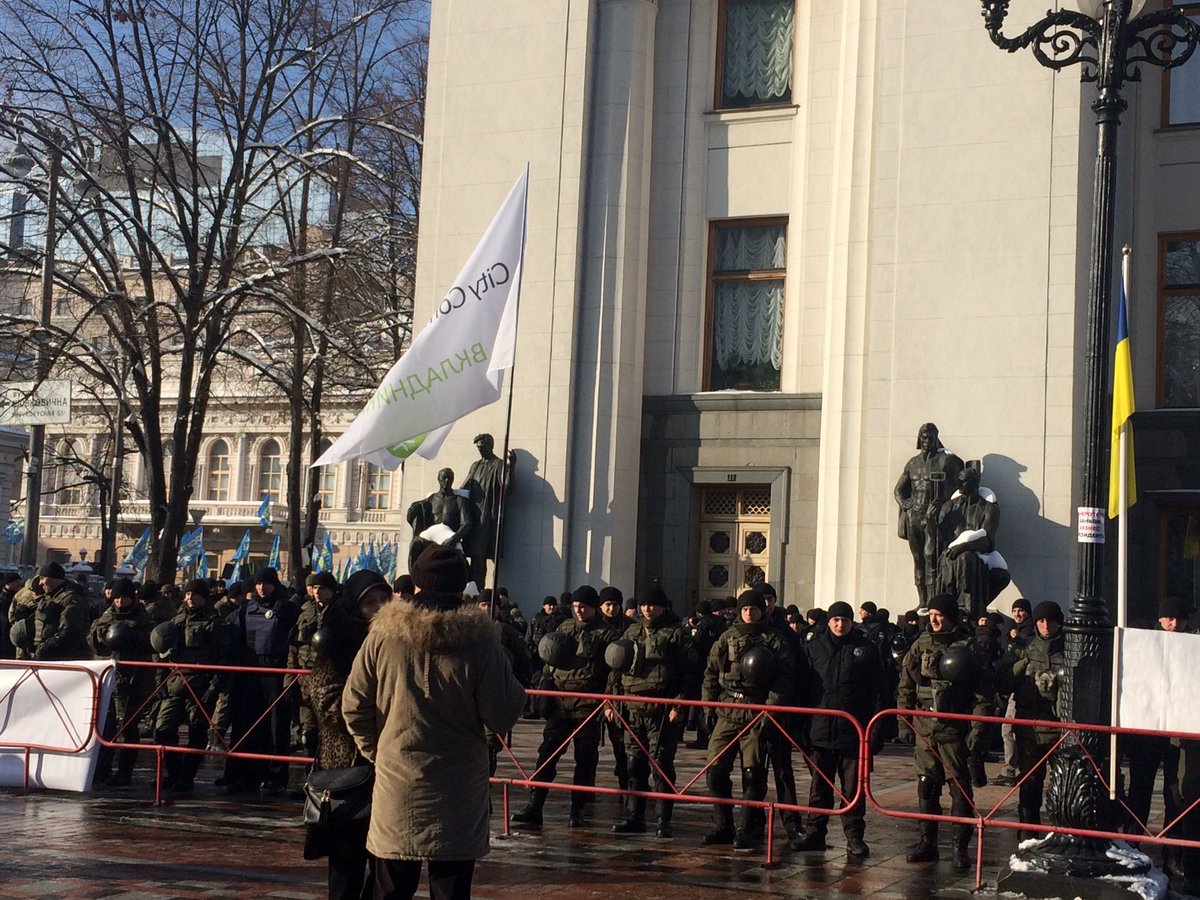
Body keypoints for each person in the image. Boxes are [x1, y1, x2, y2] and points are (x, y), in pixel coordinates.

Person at [342, 544, 526, 900]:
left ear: (418, 581)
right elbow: (502, 712)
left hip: (397, 782)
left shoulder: (382, 635)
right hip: (458, 789)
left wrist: (379, 752)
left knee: (389, 886)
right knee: (451, 889)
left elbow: (353, 705)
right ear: (462, 585)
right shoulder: (481, 642)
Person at [302, 568, 390, 900]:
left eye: (384, 599)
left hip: (385, 766)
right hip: (347, 765)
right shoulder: (337, 639)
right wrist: (370, 720)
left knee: (386, 865)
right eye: (370, 602)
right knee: (346, 861)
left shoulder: (394, 641)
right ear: (355, 605)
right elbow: (325, 698)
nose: (379, 608)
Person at [511, 585, 621, 828]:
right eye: (575, 607)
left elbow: (613, 671)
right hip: (560, 702)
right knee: (547, 754)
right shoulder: (564, 628)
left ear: (593, 608)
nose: (579, 611)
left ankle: (577, 809)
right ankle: (535, 805)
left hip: (587, 704)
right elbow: (550, 661)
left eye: (583, 607)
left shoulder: (607, 634)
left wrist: (607, 701)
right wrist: (545, 689)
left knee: (584, 759)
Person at [897, 594, 988, 870]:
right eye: (931, 614)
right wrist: (905, 721)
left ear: (950, 617)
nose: (934, 620)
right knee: (927, 784)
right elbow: (906, 687)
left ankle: (959, 847)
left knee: (959, 788)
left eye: (939, 615)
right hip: (926, 727)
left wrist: (978, 728)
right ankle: (928, 842)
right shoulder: (920, 645)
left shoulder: (968, 648)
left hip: (954, 730)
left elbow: (982, 695)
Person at [701, 589, 793, 850]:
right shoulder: (726, 638)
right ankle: (723, 825)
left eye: (753, 609)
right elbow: (710, 673)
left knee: (753, 773)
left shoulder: (774, 640)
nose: (749, 613)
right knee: (715, 769)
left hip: (757, 708)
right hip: (728, 708)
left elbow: (784, 679)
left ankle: (747, 828)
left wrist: (771, 710)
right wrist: (707, 707)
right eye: (745, 609)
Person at [790, 600, 884, 857]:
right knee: (819, 787)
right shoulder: (814, 647)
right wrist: (800, 726)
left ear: (852, 621)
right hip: (819, 731)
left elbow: (878, 690)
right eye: (835, 620)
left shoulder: (865, 649)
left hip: (853, 732)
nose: (840, 624)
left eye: (844, 620)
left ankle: (854, 836)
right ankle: (815, 833)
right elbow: (803, 688)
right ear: (828, 622)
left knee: (853, 789)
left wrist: (876, 730)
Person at [613, 584, 697, 838]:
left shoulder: (676, 634)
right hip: (633, 706)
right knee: (633, 764)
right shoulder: (631, 631)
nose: (647, 609)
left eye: (652, 605)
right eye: (644, 605)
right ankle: (634, 815)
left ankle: (663, 819)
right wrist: (615, 701)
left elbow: (690, 672)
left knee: (661, 765)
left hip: (662, 710)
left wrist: (679, 703)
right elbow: (618, 668)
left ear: (662, 606)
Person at [153, 579, 232, 795]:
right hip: (176, 684)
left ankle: (187, 778)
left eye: (194, 595)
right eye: (187, 594)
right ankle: (174, 772)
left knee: (196, 733)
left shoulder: (215, 623)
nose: (189, 599)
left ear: (203, 597)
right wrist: (160, 681)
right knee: (162, 729)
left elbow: (223, 658)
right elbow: (162, 654)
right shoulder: (176, 621)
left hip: (201, 685)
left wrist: (213, 688)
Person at [995, 599, 1064, 836]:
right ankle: (1027, 831)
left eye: (1051, 621)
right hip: (1029, 729)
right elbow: (1002, 682)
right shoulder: (1023, 648)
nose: (1046, 626)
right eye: (1042, 621)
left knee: (1061, 785)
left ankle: (1059, 832)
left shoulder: (1069, 650)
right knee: (1030, 783)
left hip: (1059, 729)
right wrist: (1018, 666)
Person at [87, 577, 154, 787]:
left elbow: (151, 643)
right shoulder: (105, 616)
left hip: (132, 679)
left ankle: (125, 772)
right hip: (108, 678)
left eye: (123, 598)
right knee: (106, 727)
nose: (119, 602)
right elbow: (92, 641)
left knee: (128, 726)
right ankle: (102, 770)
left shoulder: (142, 618)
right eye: (116, 598)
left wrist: (131, 638)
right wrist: (99, 636)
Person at [894, 423, 964, 606]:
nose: (927, 441)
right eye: (924, 437)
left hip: (932, 515)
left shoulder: (945, 461)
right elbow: (899, 490)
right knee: (918, 559)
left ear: (936, 439)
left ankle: (934, 601)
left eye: (931, 437)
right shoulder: (912, 463)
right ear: (919, 439)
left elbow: (959, 487)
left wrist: (944, 505)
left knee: (930, 556)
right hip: (914, 516)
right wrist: (904, 503)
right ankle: (922, 601)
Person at [936, 465, 1007, 619]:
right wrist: (930, 519)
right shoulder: (949, 507)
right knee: (951, 558)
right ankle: (950, 606)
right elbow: (939, 536)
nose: (959, 486)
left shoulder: (989, 508)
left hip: (978, 556)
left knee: (966, 557)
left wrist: (964, 546)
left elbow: (987, 540)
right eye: (959, 482)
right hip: (950, 555)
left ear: (975, 484)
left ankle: (966, 608)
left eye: (964, 482)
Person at [290, 571, 341, 757]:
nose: (318, 591)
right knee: (308, 732)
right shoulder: (305, 613)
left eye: (323, 588)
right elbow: (294, 648)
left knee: (331, 729)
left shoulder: (341, 612)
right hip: (306, 679)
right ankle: (310, 776)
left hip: (332, 681)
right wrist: (290, 677)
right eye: (315, 587)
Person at [459, 433, 515, 590]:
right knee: (470, 555)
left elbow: (508, 488)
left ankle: (479, 592)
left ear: (490, 446)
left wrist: (511, 468)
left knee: (479, 555)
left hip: (487, 517)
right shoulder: (475, 466)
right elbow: (464, 487)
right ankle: (472, 590)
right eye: (478, 447)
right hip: (472, 516)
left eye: (482, 446)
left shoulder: (498, 464)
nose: (480, 450)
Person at [994, 597, 1034, 786]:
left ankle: (1015, 770)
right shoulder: (1011, 633)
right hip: (1013, 688)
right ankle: (1013, 769)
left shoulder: (1028, 634)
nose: (1017, 614)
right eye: (1015, 610)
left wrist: (1017, 639)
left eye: (1021, 611)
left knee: (1011, 730)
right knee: (1009, 729)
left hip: (1026, 689)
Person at [406, 467, 477, 571]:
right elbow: (417, 522)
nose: (446, 481)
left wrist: (454, 538)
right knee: (415, 544)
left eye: (449, 478)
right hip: (430, 540)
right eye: (444, 478)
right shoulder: (429, 501)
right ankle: (413, 578)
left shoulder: (459, 501)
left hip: (451, 540)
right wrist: (410, 516)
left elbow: (467, 523)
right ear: (438, 479)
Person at [31, 561, 91, 660]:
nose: (40, 583)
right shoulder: (51, 596)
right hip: (48, 656)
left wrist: (46, 647)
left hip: (64, 657)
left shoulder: (71, 599)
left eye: (42, 578)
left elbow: (69, 632)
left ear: (53, 579)